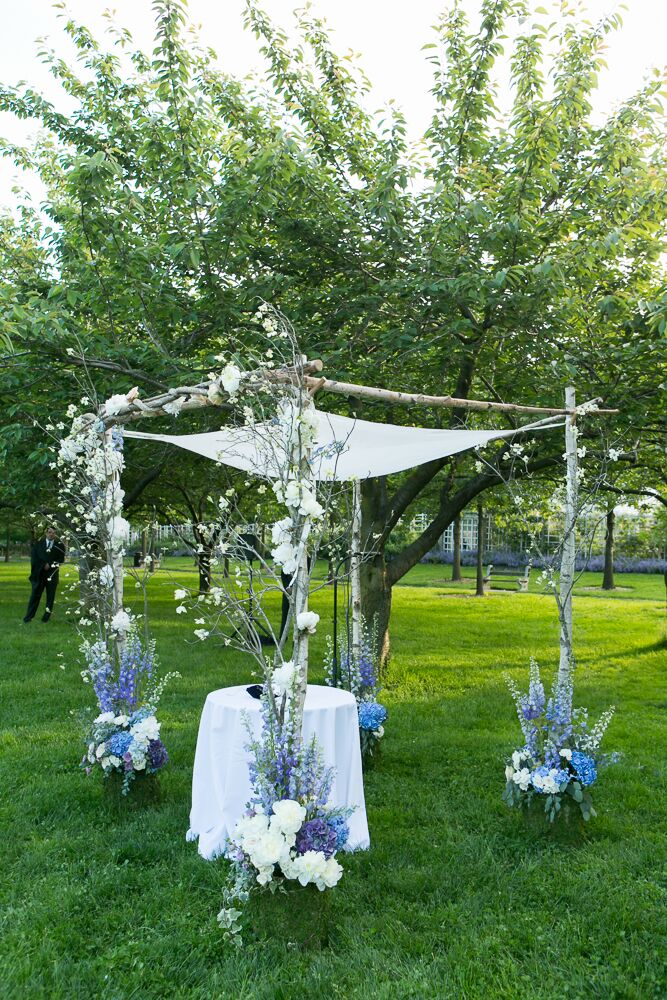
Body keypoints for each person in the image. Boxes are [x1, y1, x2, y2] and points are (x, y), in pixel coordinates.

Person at [23, 525, 65, 623]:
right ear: (46, 533)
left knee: (50, 598)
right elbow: (34, 559)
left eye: (54, 533)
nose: (52, 534)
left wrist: (50, 565)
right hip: (39, 574)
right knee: (35, 596)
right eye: (50, 532)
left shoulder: (59, 545)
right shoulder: (38, 544)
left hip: (52, 575)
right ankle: (28, 617)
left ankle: (46, 618)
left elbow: (61, 560)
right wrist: (43, 565)